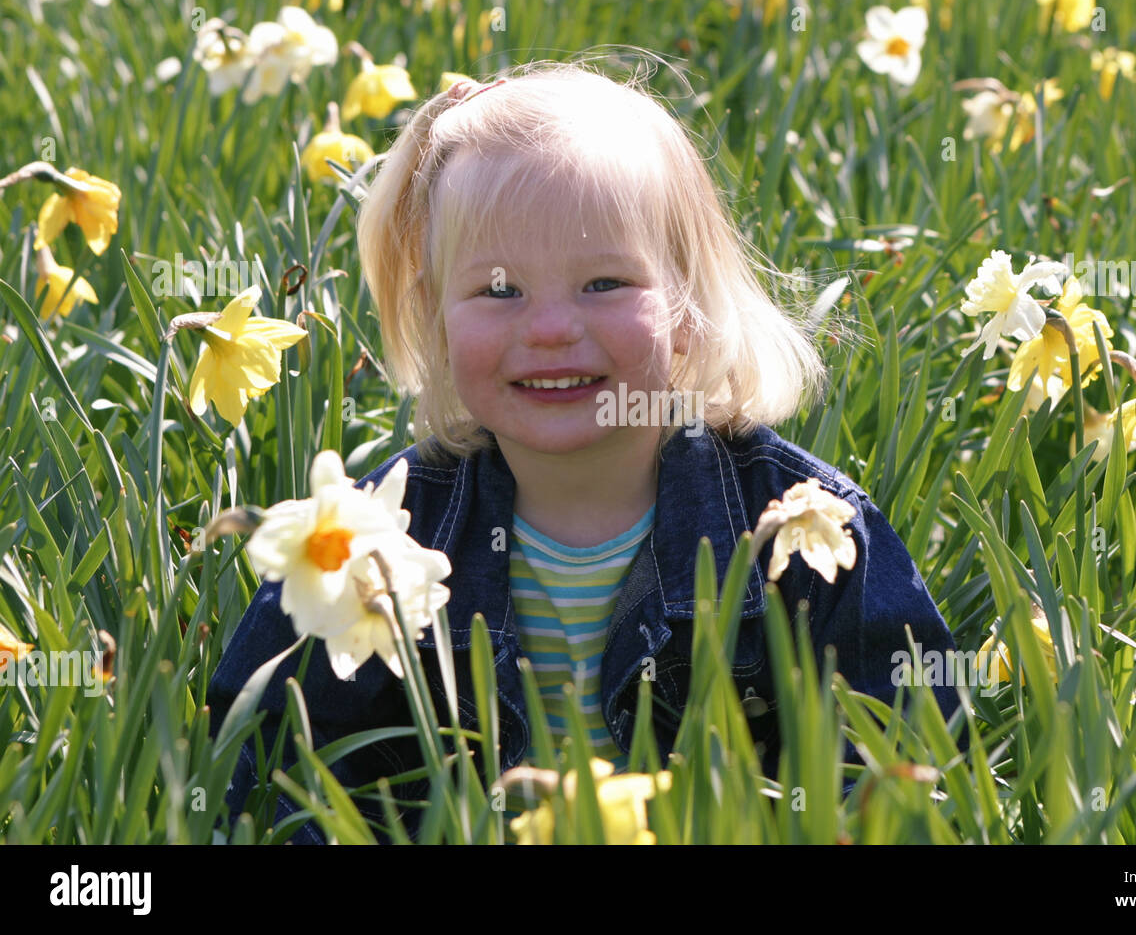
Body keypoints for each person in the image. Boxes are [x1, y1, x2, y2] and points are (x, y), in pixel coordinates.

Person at [206, 61, 966, 844]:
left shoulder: (800, 528)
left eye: (604, 282)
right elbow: (267, 772)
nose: (549, 329)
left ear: (688, 307)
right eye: (500, 292)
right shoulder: (380, 535)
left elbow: (904, 755)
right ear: (435, 319)